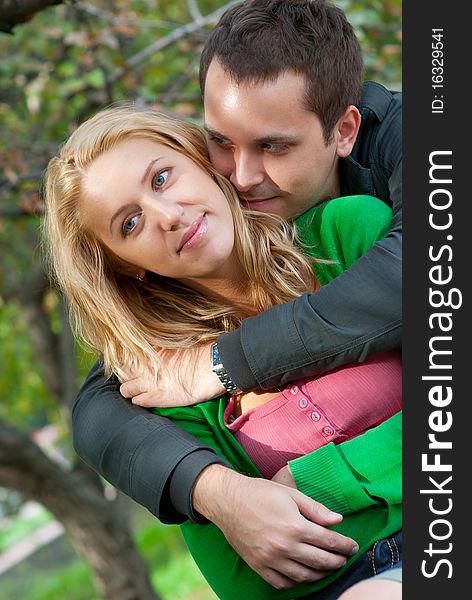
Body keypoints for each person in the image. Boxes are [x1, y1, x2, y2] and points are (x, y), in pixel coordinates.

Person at [71, 0, 402, 589]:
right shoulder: (167, 378)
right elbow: (99, 413)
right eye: (129, 223)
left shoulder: (360, 218)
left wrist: (228, 367)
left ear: (344, 130)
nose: (242, 175)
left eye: (161, 177)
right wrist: (218, 492)